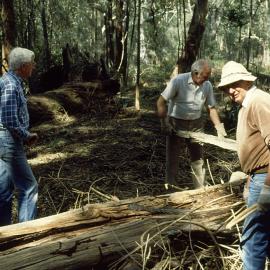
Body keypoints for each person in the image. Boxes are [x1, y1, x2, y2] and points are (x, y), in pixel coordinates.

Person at [218, 61, 270, 270]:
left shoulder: (259, 101)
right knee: (264, 236)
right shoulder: (246, 105)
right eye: (226, 87)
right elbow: (259, 147)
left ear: (247, 80)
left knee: (253, 238)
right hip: (258, 176)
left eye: (235, 84)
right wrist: (250, 178)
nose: (230, 90)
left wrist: (266, 187)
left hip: (266, 179)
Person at [157, 59, 227, 190]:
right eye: (205, 76)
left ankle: (200, 188)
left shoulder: (207, 85)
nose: (207, 79)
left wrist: (219, 127)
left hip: (196, 124)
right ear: (195, 73)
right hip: (175, 123)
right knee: (172, 158)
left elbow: (211, 108)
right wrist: (164, 123)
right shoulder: (178, 81)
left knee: (198, 157)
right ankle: (171, 188)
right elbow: (161, 102)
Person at [0, 47, 38, 226]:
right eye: (32, 63)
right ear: (23, 66)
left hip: (4, 141)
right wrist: (26, 135)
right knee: (29, 187)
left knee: (4, 190)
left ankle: (5, 236)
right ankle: (26, 235)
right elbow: (9, 120)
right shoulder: (10, 84)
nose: (34, 66)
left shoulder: (10, 81)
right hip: (9, 142)